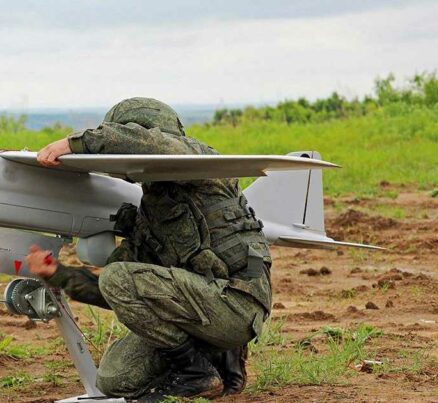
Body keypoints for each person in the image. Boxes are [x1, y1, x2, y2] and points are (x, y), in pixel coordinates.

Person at [25, 97, 272, 401]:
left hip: (236, 306)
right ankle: (211, 362)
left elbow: (153, 144)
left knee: (118, 278)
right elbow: (117, 290)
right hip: (200, 310)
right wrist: (58, 274)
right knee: (114, 378)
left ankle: (196, 373)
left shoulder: (202, 165)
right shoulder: (152, 212)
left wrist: (75, 143)